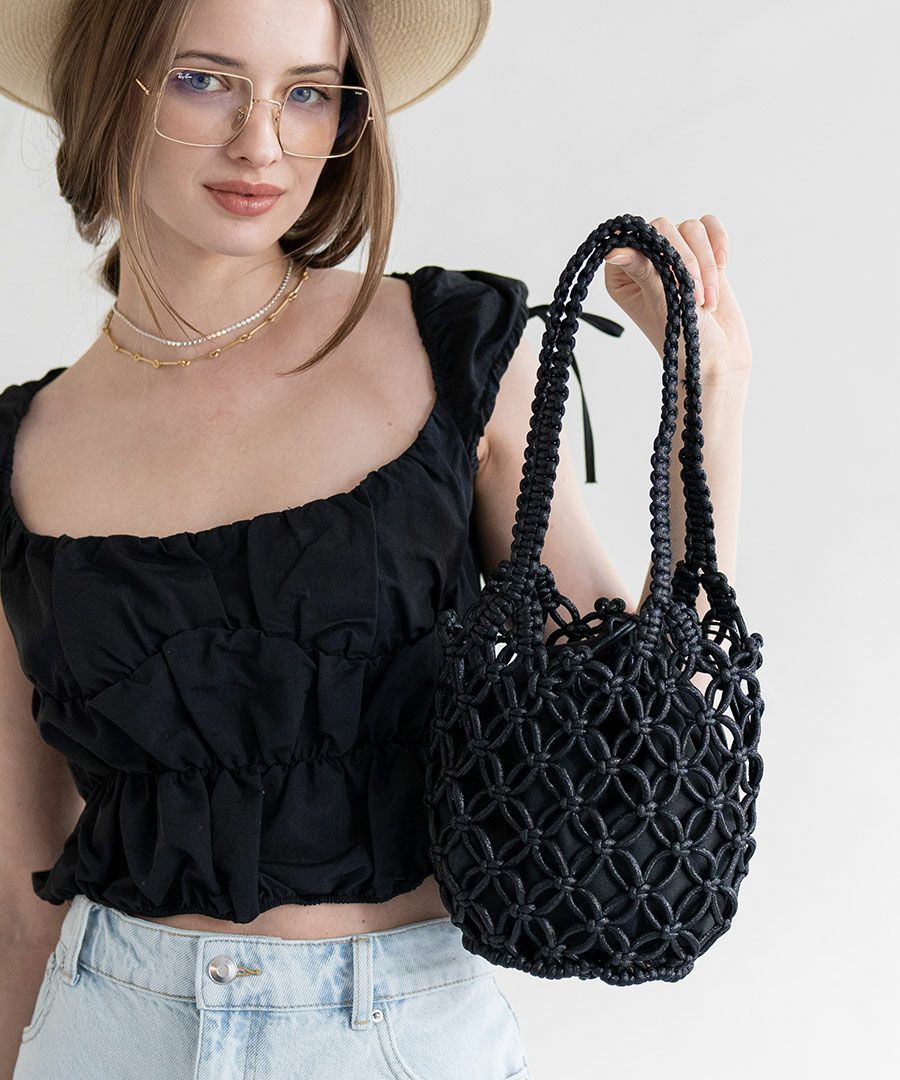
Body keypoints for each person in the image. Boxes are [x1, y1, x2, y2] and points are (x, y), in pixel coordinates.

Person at [0, 0, 753, 1076]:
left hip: (396, 1036)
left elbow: (641, 743)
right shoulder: (23, 445)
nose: (262, 142)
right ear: (105, 88)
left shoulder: (455, 352)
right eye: (204, 80)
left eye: (308, 91)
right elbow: (18, 880)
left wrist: (709, 395)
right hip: (100, 1031)